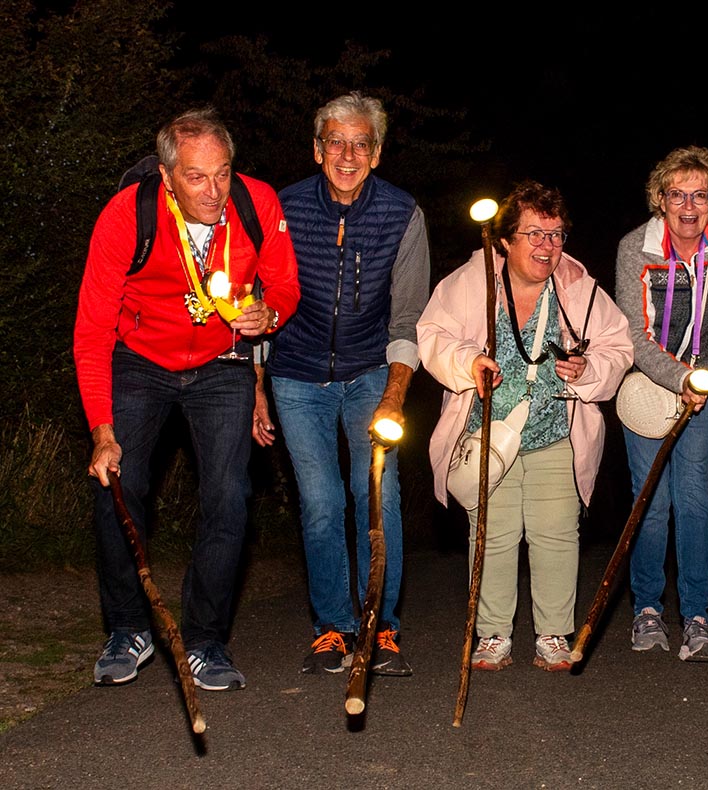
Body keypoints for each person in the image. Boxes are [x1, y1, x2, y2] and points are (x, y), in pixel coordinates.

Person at [74, 108, 300, 690]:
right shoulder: (128, 214)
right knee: (118, 485)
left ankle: (205, 640)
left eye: (222, 173)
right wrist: (102, 430)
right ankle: (129, 629)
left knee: (228, 496)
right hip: (140, 361)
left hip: (222, 363)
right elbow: (93, 330)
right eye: (197, 177)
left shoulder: (256, 203)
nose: (214, 191)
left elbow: (285, 285)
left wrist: (269, 314)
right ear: (167, 175)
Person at [418, 181, 632, 671]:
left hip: (555, 433)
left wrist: (589, 369)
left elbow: (617, 347)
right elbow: (433, 335)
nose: (546, 246)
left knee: (556, 533)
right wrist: (468, 361)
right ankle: (492, 634)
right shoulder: (471, 281)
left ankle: (553, 633)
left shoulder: (579, 287)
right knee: (491, 532)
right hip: (486, 433)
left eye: (555, 235)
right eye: (534, 234)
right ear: (506, 239)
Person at [255, 92, 430, 676]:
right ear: (317, 149)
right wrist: (257, 384)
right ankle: (332, 628)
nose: (348, 155)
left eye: (361, 144)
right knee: (322, 502)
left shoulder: (403, 213)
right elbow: (260, 301)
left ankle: (381, 627)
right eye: (336, 142)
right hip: (296, 374)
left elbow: (407, 317)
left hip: (371, 372)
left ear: (377, 154)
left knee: (377, 494)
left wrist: (394, 396)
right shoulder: (283, 208)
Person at [615, 145, 708, 662]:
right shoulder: (637, 248)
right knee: (651, 499)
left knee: (694, 495)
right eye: (677, 195)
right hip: (650, 382)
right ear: (660, 200)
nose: (689, 207)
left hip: (706, 376)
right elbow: (634, 335)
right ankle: (647, 610)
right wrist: (680, 380)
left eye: (700, 196)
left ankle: (696, 616)